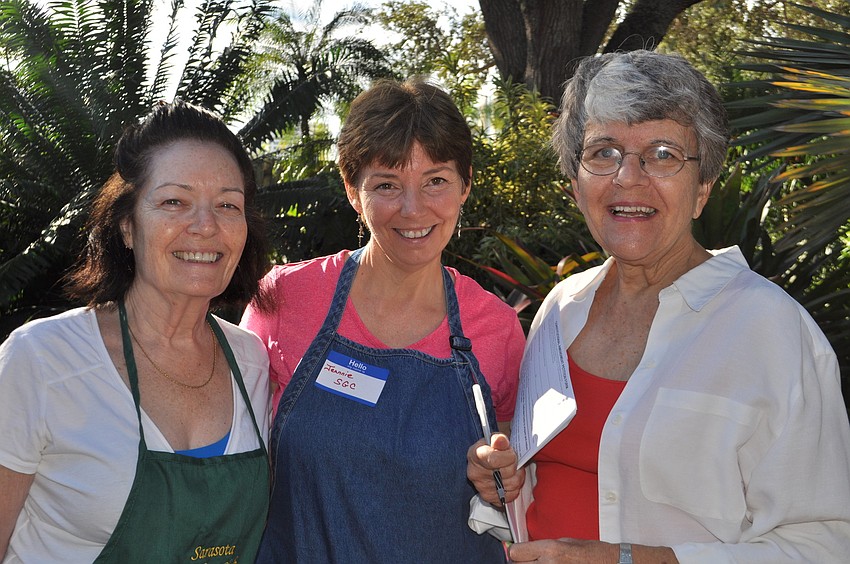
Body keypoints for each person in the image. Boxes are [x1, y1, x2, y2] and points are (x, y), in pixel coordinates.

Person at [467, 50, 850, 563]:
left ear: (703, 189)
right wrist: (504, 475)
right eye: (603, 152)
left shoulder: (772, 331)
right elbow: (547, 473)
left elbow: (825, 544)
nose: (628, 177)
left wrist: (632, 559)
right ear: (576, 185)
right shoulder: (560, 310)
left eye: (663, 153)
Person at [241, 77, 524, 563]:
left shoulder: (495, 328)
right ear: (353, 190)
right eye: (387, 185)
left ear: (466, 185)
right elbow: (235, 459)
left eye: (436, 180)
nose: (413, 209)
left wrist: (503, 477)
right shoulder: (284, 299)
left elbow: (520, 477)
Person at [0, 100, 273, 562]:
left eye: (228, 205)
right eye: (174, 202)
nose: (206, 226)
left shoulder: (253, 361)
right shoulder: (42, 360)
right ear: (127, 225)